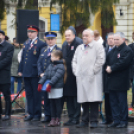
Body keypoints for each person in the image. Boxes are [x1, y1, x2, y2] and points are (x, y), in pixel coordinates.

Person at [72, 29, 105, 128]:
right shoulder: (79, 48)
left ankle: (94, 120)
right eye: (83, 36)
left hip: (93, 78)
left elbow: (100, 60)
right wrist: (76, 71)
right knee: (84, 100)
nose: (84, 37)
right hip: (81, 78)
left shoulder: (98, 46)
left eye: (86, 35)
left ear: (92, 36)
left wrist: (93, 71)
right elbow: (74, 61)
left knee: (93, 100)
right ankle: (84, 120)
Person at [18, 25, 46, 121]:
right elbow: (22, 58)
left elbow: (41, 59)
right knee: (29, 94)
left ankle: (37, 114)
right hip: (26, 72)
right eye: (28, 32)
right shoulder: (26, 43)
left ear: (36, 33)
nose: (29, 34)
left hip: (35, 73)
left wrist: (40, 71)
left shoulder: (41, 44)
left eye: (31, 32)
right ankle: (31, 113)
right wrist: (20, 70)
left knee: (36, 95)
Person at [106, 32, 133, 128]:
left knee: (121, 102)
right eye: (114, 39)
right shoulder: (112, 51)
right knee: (113, 102)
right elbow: (107, 62)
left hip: (122, 81)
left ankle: (123, 121)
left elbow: (123, 63)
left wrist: (112, 68)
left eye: (117, 39)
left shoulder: (127, 50)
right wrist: (107, 68)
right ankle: (116, 120)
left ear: (123, 39)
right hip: (112, 81)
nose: (115, 41)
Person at [37, 32, 61, 123]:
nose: (50, 41)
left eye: (52, 39)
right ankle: (47, 116)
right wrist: (40, 73)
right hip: (44, 78)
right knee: (46, 98)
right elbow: (39, 62)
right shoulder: (43, 50)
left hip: (53, 78)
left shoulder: (58, 50)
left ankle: (54, 116)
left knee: (54, 99)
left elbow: (60, 64)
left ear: (55, 40)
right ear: (46, 40)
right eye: (48, 39)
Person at [38, 50, 65, 127]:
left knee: (57, 104)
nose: (51, 57)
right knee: (52, 104)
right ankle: (52, 118)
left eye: (53, 56)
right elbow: (46, 75)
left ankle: (58, 118)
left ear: (58, 57)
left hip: (57, 87)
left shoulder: (61, 66)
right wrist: (40, 83)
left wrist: (51, 84)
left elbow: (57, 76)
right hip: (50, 88)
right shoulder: (50, 65)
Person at [62, 28, 81, 126]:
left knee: (76, 98)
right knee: (69, 97)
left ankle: (76, 118)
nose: (67, 37)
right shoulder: (64, 45)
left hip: (76, 75)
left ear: (74, 35)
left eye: (69, 35)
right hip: (67, 75)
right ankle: (71, 117)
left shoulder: (78, 43)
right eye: (66, 36)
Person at [0, 30, 14, 121]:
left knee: (6, 95)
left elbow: (8, 60)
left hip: (4, 74)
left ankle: (7, 113)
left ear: (3, 36)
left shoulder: (9, 46)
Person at [103, 32, 115, 125]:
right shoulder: (105, 49)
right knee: (107, 100)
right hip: (106, 79)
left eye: (112, 38)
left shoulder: (117, 50)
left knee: (114, 100)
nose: (110, 40)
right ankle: (108, 119)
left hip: (114, 79)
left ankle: (115, 118)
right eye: (109, 38)